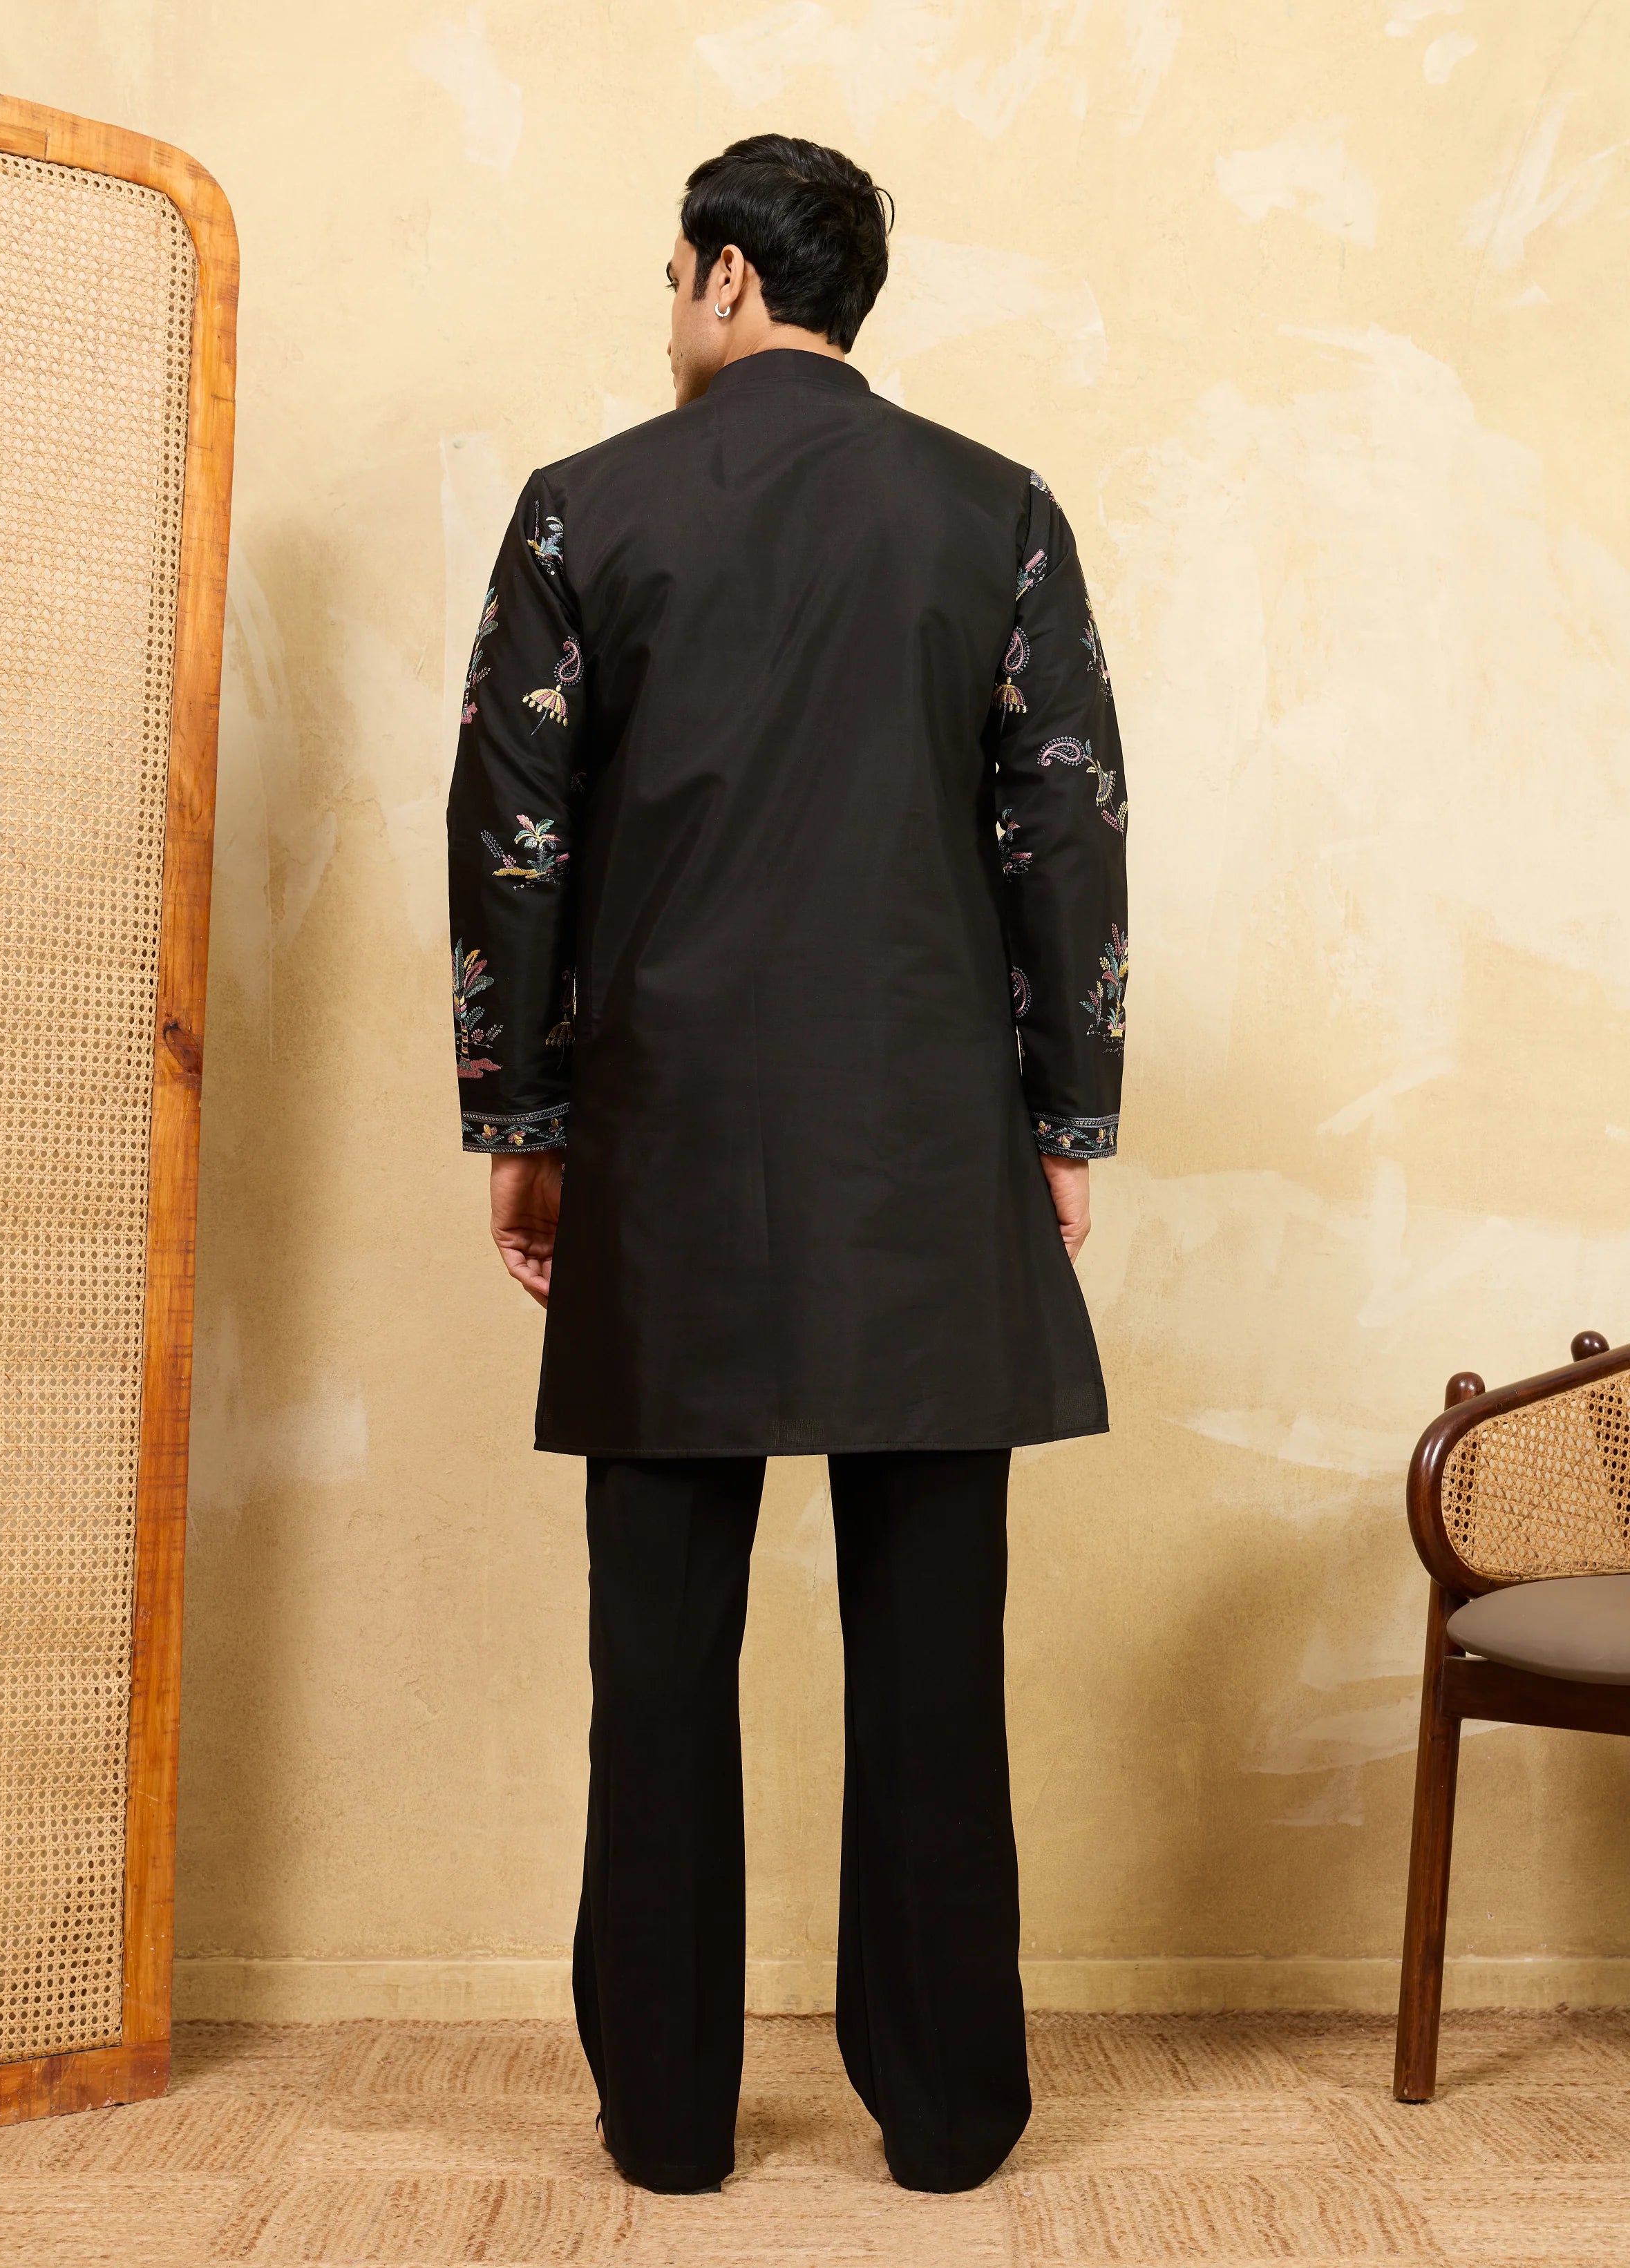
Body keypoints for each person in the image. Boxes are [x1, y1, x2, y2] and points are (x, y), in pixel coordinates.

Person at [446, 134, 1128, 2197]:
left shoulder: (583, 507)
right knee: (933, 1652)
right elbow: (1067, 829)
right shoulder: (999, 509)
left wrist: (524, 1123)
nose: (670, 314)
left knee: (657, 1659)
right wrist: (1064, 1122)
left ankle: (665, 2120)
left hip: (666, 1147)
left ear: (730, 277)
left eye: (676, 277)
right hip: (926, 1149)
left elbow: (511, 835)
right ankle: (949, 2115)